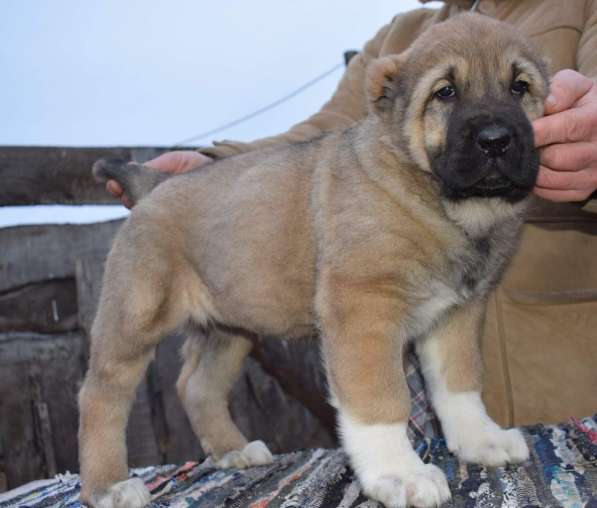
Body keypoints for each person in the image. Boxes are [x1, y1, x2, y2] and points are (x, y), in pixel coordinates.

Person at [106, 0, 597, 429]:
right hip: (407, 390)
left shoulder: (579, 10)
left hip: (557, 379)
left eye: (517, 90)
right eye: (444, 93)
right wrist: (214, 169)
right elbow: (319, 136)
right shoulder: (401, 36)